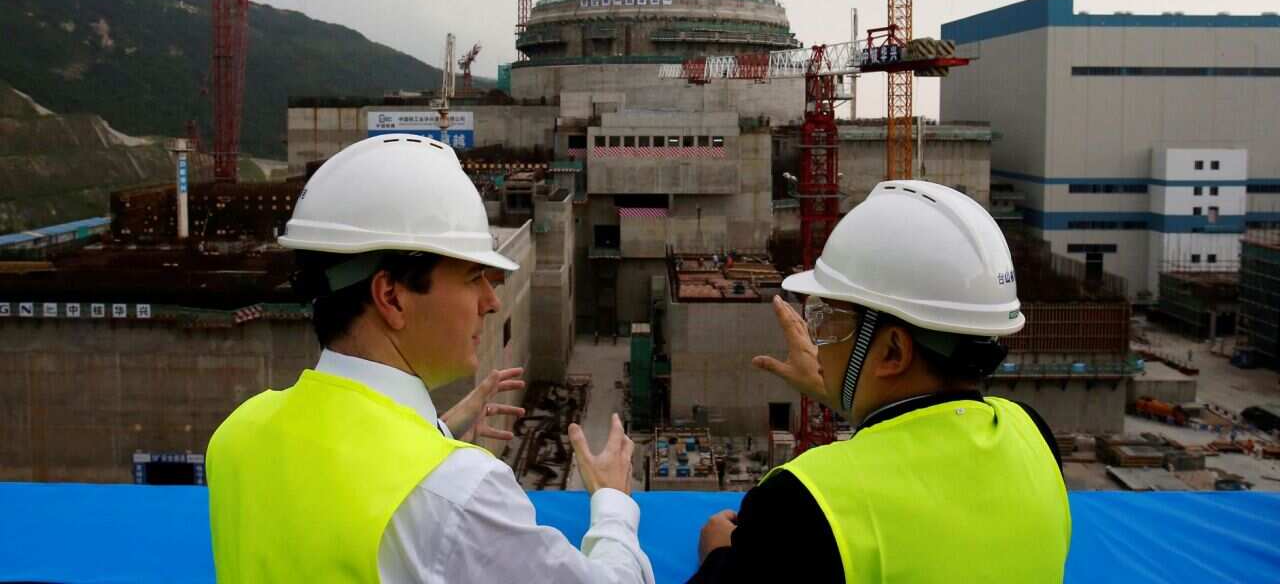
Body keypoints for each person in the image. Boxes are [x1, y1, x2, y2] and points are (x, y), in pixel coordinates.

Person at [207, 134, 654, 583]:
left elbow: (339, 485)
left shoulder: (237, 436)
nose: (491, 300)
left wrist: (434, 431)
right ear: (392, 297)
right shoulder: (458, 493)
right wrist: (613, 504)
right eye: (473, 276)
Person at [690, 180, 1071, 583]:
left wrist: (717, 552)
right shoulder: (1034, 436)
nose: (820, 344)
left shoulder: (806, 501)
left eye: (829, 322)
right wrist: (843, 392)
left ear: (892, 352)